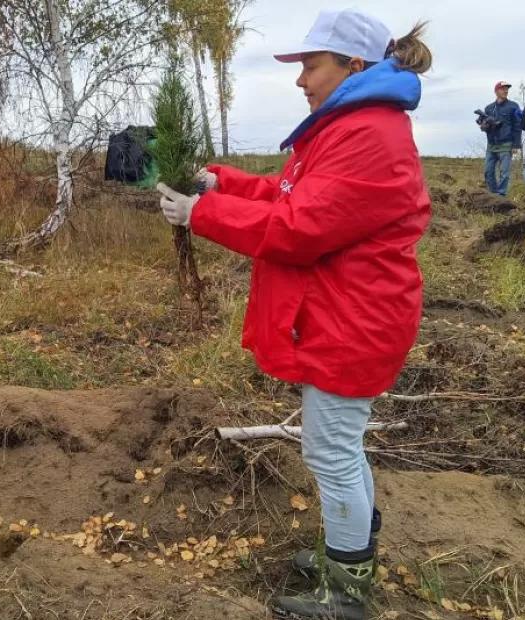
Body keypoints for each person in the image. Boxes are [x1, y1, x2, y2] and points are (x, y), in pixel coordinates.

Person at [157, 9, 432, 619]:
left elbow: (300, 227)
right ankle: (352, 551)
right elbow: (291, 195)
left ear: (354, 66)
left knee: (330, 450)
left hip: (354, 321)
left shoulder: (368, 135)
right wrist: (220, 184)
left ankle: (348, 591)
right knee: (339, 444)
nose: (301, 79)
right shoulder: (348, 126)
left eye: (312, 65)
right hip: (350, 312)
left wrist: (201, 215)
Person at [481, 81, 523, 197]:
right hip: (491, 145)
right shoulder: (488, 108)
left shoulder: (513, 106)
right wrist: (484, 126)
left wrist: (516, 145)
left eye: (507, 89)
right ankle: (493, 194)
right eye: (503, 89)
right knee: (488, 172)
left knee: (504, 173)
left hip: (506, 145)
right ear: (496, 91)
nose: (506, 91)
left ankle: (501, 195)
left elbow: (517, 126)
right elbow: (484, 126)